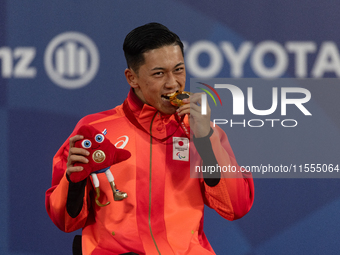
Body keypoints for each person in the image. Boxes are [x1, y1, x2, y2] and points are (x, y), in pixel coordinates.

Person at [45, 22, 254, 255]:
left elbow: (236, 207)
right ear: (132, 78)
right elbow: (64, 221)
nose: (172, 83)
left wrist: (205, 139)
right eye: (158, 73)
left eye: (178, 69)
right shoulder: (94, 130)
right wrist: (73, 182)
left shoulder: (201, 130)